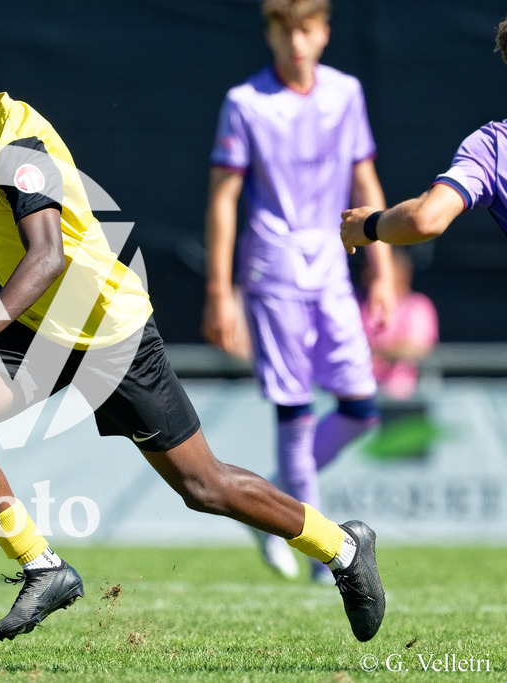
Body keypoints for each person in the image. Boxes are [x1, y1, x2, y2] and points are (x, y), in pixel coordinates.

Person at [0, 29, 385, 643]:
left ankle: (342, 548)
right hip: (39, 329)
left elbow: (46, 258)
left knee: (204, 486)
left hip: (106, 333)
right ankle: (42, 566)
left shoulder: (20, 147)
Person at [202, 0, 395, 583]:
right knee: (296, 410)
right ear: (269, 34)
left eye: (307, 29)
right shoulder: (246, 103)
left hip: (334, 266)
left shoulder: (346, 93)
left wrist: (382, 269)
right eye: (285, 31)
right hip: (273, 270)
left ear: (325, 33)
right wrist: (220, 289)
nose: (297, 42)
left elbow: (365, 179)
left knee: (361, 408)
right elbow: (224, 198)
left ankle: (265, 506)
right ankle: (324, 559)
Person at [341, 16, 507, 252]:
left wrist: (370, 224)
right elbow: (423, 221)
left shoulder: (492, 148)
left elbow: (424, 220)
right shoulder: (491, 149)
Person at [359, 249, 439, 401]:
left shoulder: (419, 306)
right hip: (358, 394)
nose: (367, 275)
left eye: (374, 269)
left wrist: (375, 353)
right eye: (368, 268)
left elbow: (417, 348)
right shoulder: (355, 302)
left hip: (402, 400)